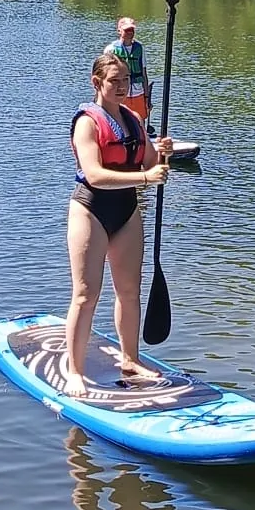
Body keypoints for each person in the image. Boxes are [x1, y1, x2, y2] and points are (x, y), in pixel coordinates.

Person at [64, 53, 172, 397]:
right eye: (115, 81)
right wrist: (145, 176)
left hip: (126, 211)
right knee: (86, 295)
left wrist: (160, 150)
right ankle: (75, 371)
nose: (123, 87)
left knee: (129, 291)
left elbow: (152, 160)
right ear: (98, 83)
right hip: (91, 210)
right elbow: (94, 174)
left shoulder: (134, 120)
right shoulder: (87, 123)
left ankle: (130, 359)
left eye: (126, 80)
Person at [103, 16, 152, 123]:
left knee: (139, 121)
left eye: (132, 30)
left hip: (138, 93)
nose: (130, 32)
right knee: (120, 121)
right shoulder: (110, 49)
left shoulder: (140, 48)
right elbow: (103, 76)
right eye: (127, 30)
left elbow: (144, 74)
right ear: (119, 31)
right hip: (119, 92)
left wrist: (147, 97)